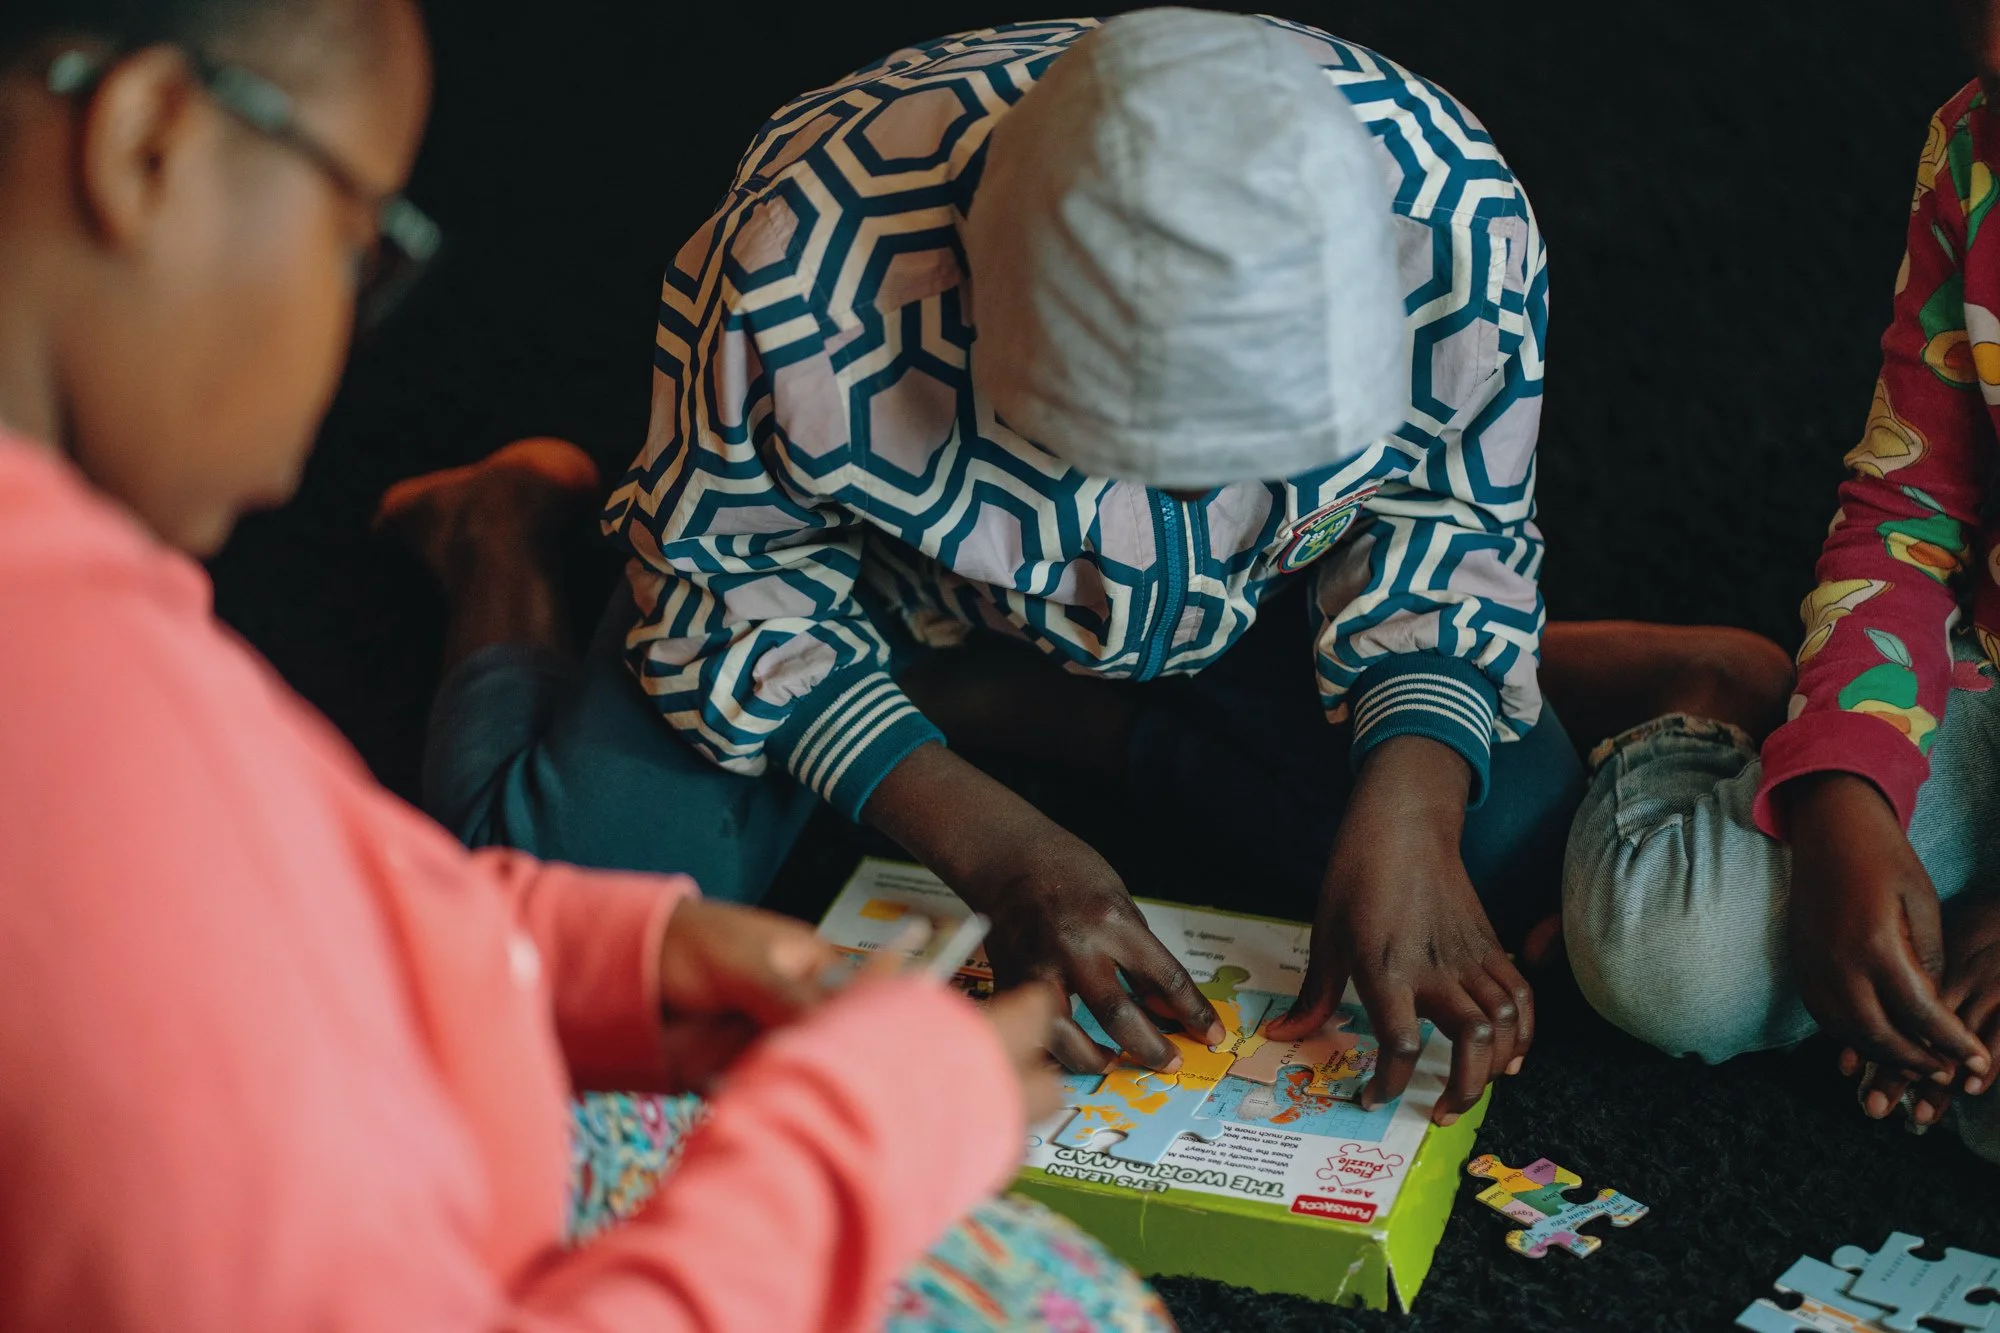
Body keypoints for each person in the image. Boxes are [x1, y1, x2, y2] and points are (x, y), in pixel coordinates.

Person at [0, 2, 1178, 1329]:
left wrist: (612, 952)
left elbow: (290, 898)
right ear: (148, 142)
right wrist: (855, 1146)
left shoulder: (84, 635)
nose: (345, 331)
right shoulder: (73, 729)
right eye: (359, 246)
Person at [383, 7, 1585, 1126]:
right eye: (1112, 454)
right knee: (579, 923)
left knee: (1509, 833)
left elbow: (1448, 518)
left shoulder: (1453, 223)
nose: (1181, 512)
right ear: (971, 298)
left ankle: (1016, 714)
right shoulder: (803, 256)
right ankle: (506, 534)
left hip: (1248, 620)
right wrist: (998, 848)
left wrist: (1414, 809)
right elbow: (734, 589)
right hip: (873, 598)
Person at [1561, 0, 2000, 1165]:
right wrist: (1841, 793)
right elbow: (1906, 512)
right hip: (1981, 681)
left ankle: (1932, 959)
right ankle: (1708, 693)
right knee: (1667, 960)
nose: (1988, 52)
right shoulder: (1976, 141)